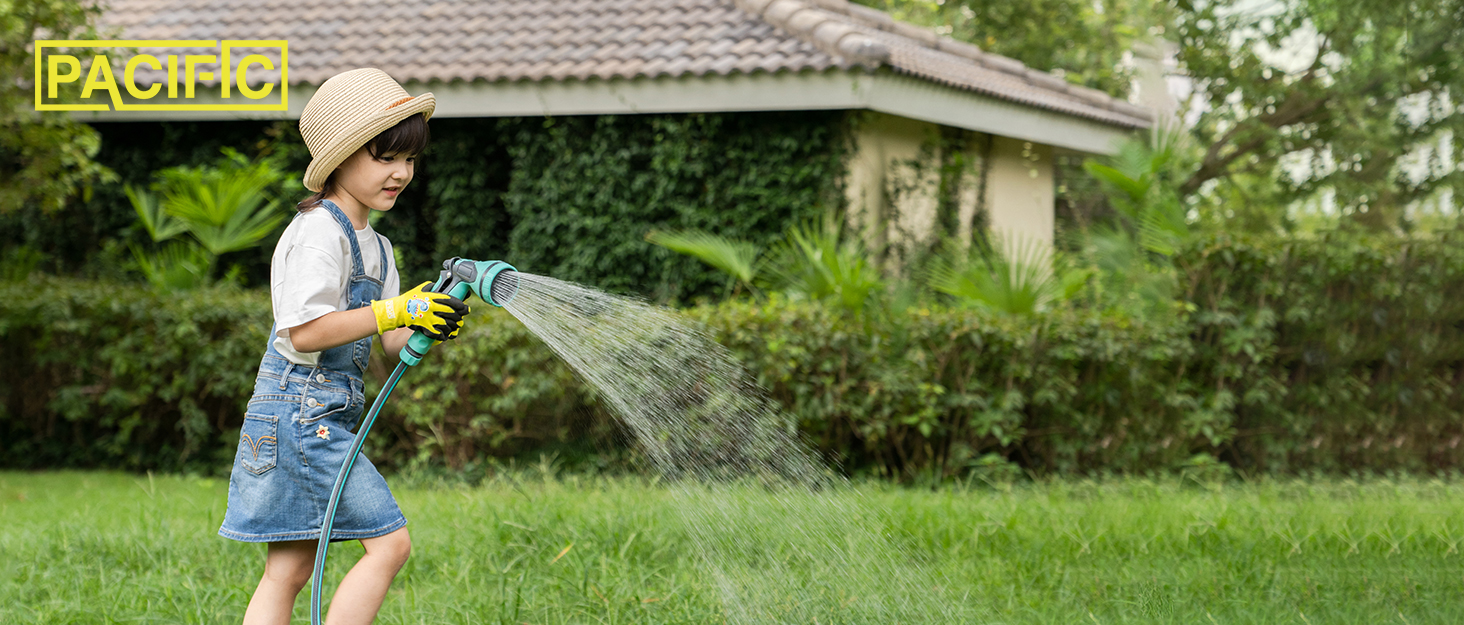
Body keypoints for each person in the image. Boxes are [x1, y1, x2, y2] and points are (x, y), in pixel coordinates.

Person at [218, 68, 469, 625]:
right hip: (300, 414)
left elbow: (389, 340)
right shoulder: (317, 234)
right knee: (390, 545)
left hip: (321, 414)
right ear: (339, 157)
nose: (401, 172)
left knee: (287, 571)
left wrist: (430, 318)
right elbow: (304, 332)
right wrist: (395, 309)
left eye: (409, 159)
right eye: (385, 157)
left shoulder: (377, 247)